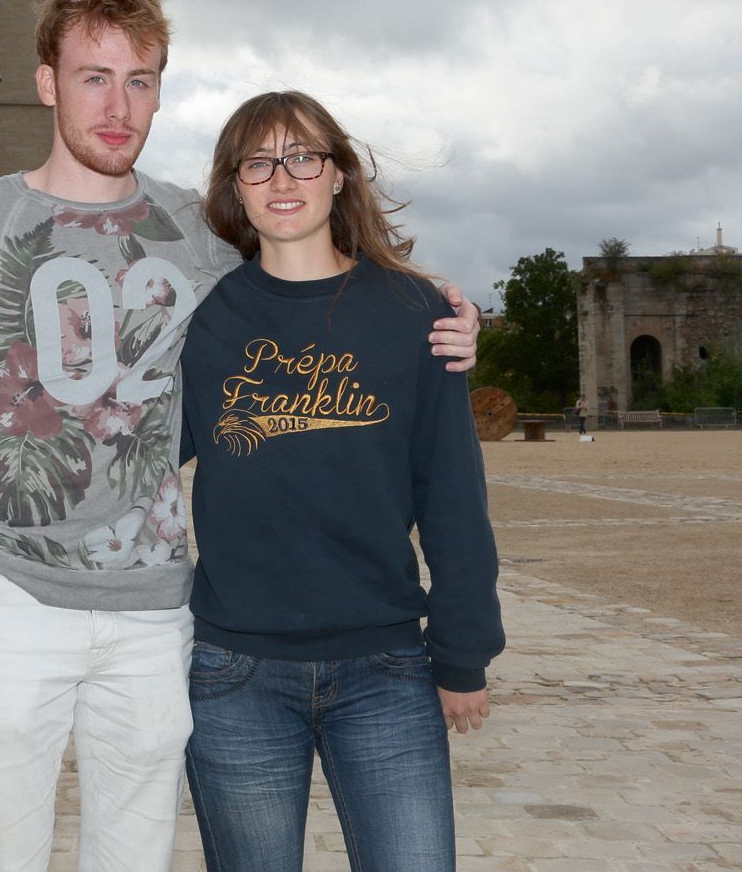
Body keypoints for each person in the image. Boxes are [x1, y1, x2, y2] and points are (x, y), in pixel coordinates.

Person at [0, 0, 481, 872]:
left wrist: (437, 305)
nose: (118, 104)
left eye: (140, 80)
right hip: (6, 600)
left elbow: (303, 268)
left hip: (156, 613)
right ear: (47, 83)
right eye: (94, 77)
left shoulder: (194, 234)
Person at [179, 91, 502, 870]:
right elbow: (130, 453)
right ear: (234, 186)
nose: (282, 177)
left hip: (386, 667)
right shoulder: (204, 319)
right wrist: (0, 485)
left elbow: (452, 493)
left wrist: (463, 653)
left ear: (338, 176)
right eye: (258, 162)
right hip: (235, 674)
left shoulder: (413, 310)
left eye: (304, 156)